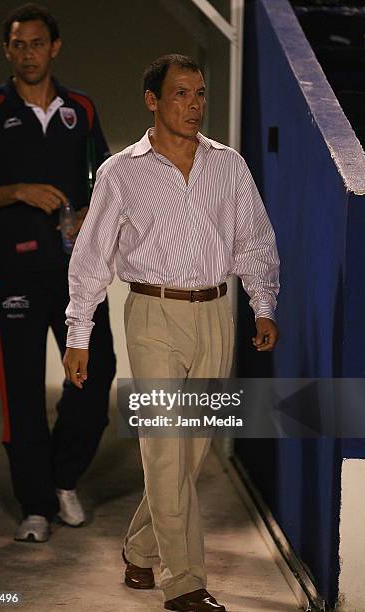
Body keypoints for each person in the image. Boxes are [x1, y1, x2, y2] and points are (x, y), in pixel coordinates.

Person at [63, 54, 279, 612]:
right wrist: (78, 333)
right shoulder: (120, 171)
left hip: (216, 314)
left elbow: (254, 239)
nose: (194, 106)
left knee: (189, 454)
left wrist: (263, 304)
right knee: (164, 451)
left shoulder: (228, 165)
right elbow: (91, 257)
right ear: (153, 101)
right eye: (181, 94)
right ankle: (183, 582)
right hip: (152, 314)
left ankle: (139, 549)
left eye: (201, 94)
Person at [0, 3, 116, 543]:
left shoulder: (83, 110)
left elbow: (106, 185)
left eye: (37, 42)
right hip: (10, 273)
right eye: (18, 44)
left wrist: (90, 216)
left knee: (95, 383)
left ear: (55, 47)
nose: (28, 52)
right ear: (7, 50)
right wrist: (17, 191)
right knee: (20, 394)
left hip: (80, 276)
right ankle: (35, 507)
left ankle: (62, 478)